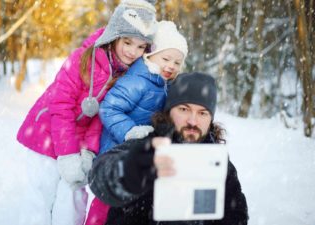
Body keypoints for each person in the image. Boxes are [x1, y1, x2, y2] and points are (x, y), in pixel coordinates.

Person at [16, 1, 157, 225]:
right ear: (114, 35)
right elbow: (60, 105)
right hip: (45, 135)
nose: (132, 51)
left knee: (73, 202)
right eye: (127, 42)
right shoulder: (83, 59)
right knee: (41, 197)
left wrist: (89, 151)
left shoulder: (127, 76)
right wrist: (67, 153)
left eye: (141, 47)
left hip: (78, 144)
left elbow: (100, 118)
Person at [88, 72, 249, 225]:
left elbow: (236, 216)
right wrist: (129, 172)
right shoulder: (145, 149)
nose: (193, 121)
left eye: (202, 113)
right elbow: (98, 176)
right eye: (184, 109)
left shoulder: (218, 164)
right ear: (169, 112)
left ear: (210, 119)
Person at [85, 20, 189, 225]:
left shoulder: (161, 82)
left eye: (177, 62)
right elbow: (109, 108)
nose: (171, 65)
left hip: (138, 155)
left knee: (130, 204)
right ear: (151, 56)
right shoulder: (139, 80)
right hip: (116, 152)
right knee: (107, 203)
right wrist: (130, 131)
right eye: (166, 58)